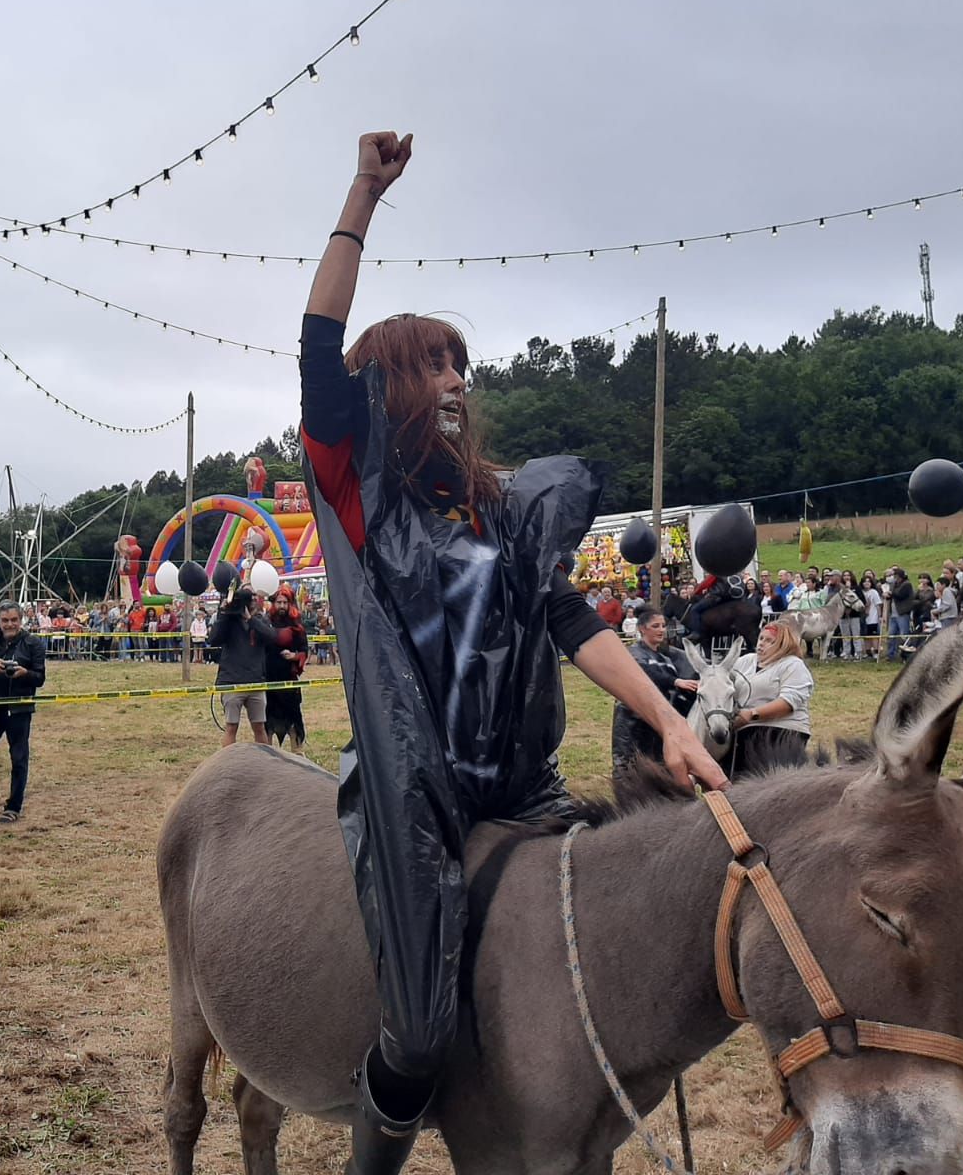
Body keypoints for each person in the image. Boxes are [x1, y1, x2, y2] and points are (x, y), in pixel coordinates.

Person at [299, 131, 724, 1170]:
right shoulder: (356, 492)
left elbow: (567, 621)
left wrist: (668, 719)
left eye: (457, 360)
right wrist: (362, 192)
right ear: (381, 384)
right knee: (417, 1028)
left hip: (523, 785)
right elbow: (315, 345)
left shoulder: (499, 509)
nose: (451, 376)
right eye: (427, 360)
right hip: (415, 795)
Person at [0, 601, 47, 822]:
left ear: (20, 620)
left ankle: (13, 807)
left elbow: (40, 678)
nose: (9, 624)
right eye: (5, 620)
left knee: (18, 758)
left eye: (14, 620)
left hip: (19, 709)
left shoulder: (33, 643)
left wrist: (24, 673)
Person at [610, 607, 698, 777]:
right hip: (633, 723)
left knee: (659, 769)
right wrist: (675, 681)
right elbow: (644, 672)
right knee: (628, 771)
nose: (661, 630)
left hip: (659, 723)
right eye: (655, 626)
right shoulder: (634, 652)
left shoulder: (667, 658)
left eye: (663, 626)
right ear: (642, 628)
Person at [728, 619, 814, 775]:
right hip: (744, 730)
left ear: (782, 645)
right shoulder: (745, 661)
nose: (761, 643)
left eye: (769, 641)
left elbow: (788, 702)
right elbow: (723, 681)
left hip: (782, 731)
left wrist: (751, 714)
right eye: (761, 638)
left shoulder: (792, 665)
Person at [208, 581, 277, 746]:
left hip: (255, 681)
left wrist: (250, 619)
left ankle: (264, 762)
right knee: (231, 727)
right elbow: (214, 639)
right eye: (245, 596)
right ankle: (228, 764)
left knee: (260, 727)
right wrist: (224, 612)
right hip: (232, 681)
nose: (250, 599)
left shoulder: (260, 620)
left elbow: (271, 637)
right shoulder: (228, 620)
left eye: (253, 595)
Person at [263, 586, 310, 753]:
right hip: (268, 677)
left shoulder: (296, 625)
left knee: (293, 720)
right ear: (274, 603)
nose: (282, 606)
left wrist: (294, 656)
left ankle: (298, 755)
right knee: (267, 721)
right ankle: (266, 759)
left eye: (285, 602)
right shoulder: (266, 622)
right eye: (279, 602)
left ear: (289, 604)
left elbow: (304, 649)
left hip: (288, 679)